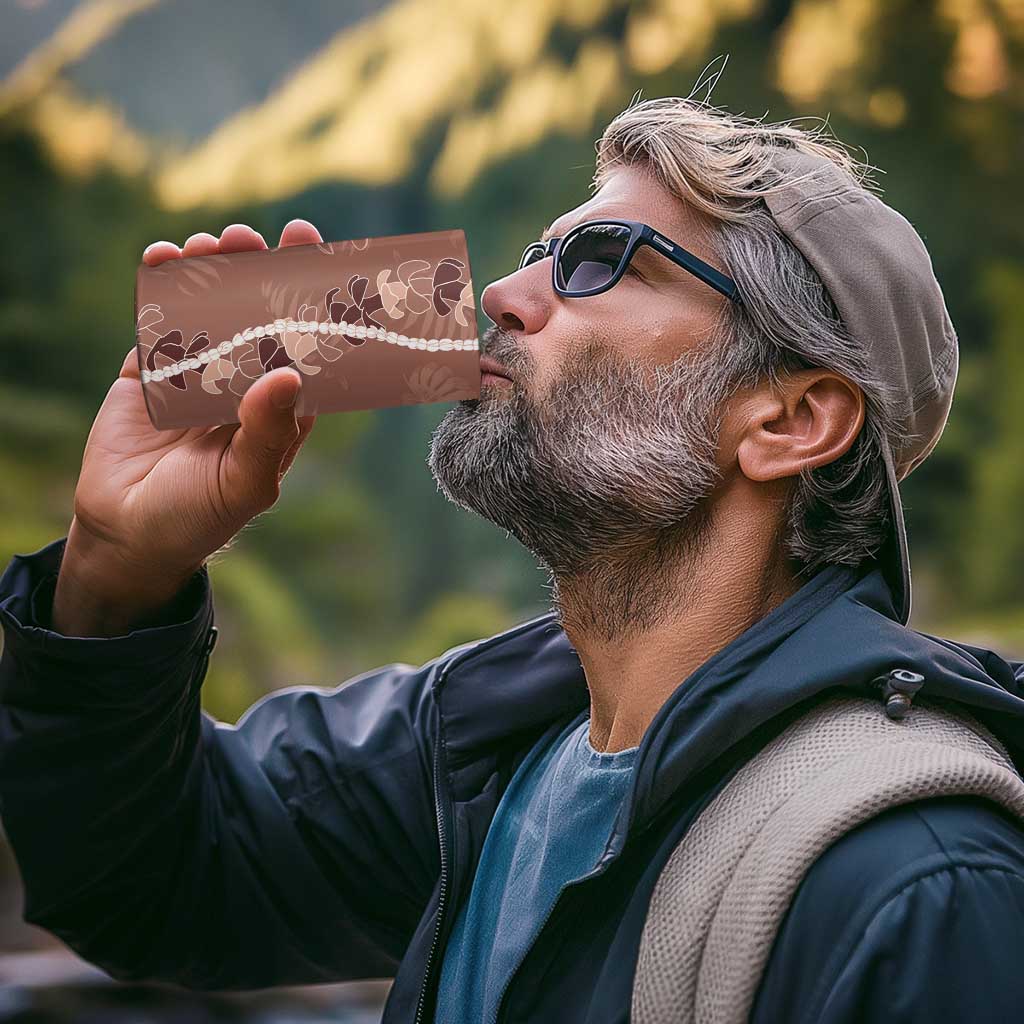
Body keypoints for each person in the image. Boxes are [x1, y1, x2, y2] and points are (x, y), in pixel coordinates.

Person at [2, 95, 1024, 1024]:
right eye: (540, 252)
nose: (500, 291)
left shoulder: (918, 884)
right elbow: (149, 879)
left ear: (791, 420)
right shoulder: (479, 749)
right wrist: (116, 571)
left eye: (599, 261)